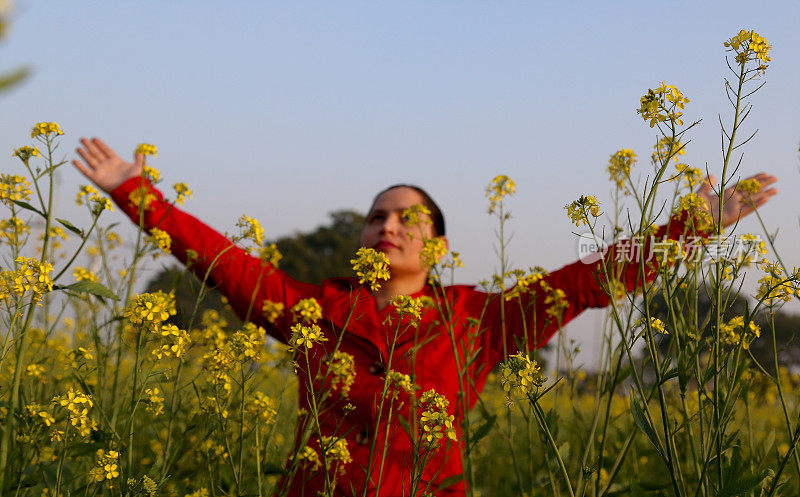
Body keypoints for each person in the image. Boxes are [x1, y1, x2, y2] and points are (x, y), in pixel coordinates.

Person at [72, 137, 777, 496]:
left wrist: (686, 226)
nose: (389, 226)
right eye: (377, 216)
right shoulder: (317, 311)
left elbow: (588, 281)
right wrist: (135, 194)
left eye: (410, 218)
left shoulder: (478, 317)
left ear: (438, 244)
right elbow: (224, 264)